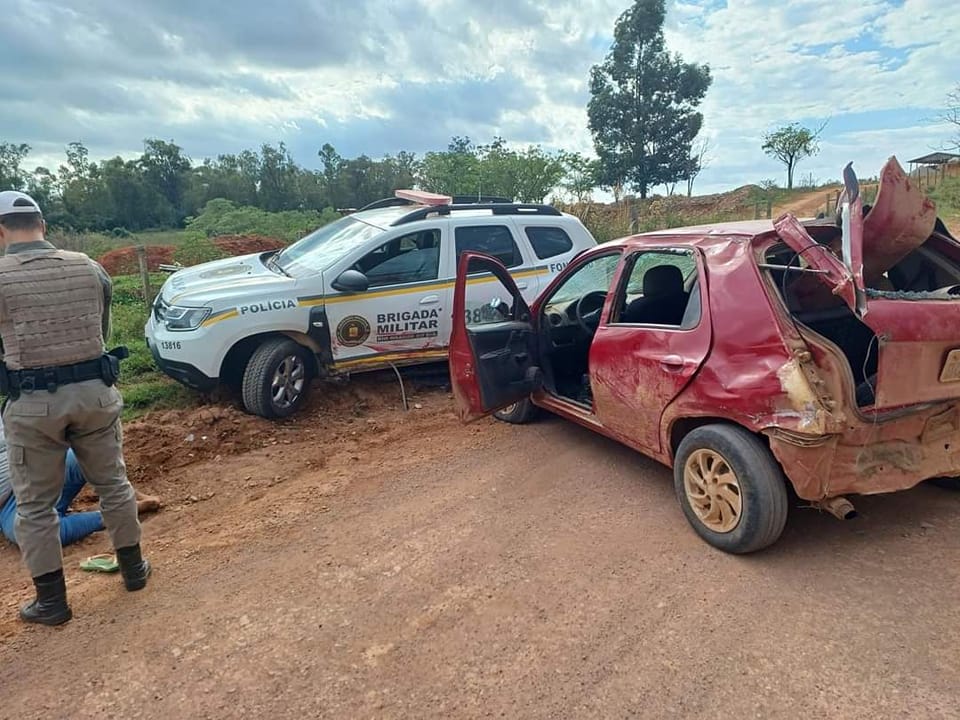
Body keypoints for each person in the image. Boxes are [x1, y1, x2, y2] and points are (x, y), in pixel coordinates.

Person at [0, 190, 150, 626]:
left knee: (35, 507)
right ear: (42, 225)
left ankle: (52, 603)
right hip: (95, 396)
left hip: (33, 406)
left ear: (2, 230)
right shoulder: (90, 267)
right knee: (114, 485)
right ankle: (135, 571)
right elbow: (99, 333)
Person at [1, 422, 161, 547]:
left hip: (35, 470)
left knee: (86, 455)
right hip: (9, 505)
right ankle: (115, 513)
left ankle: (128, 495)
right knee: (33, 536)